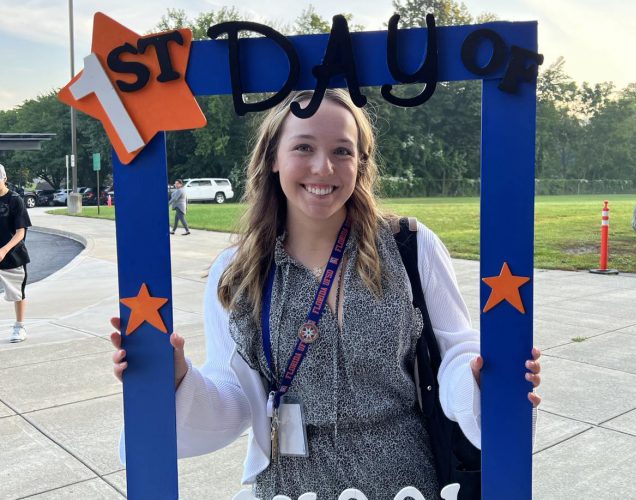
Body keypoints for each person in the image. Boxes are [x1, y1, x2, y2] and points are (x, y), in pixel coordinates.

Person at [111, 89, 542, 499]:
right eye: (303, 148)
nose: (324, 167)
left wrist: (480, 379)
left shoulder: (411, 246)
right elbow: (236, 394)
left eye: (342, 150)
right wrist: (179, 381)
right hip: (291, 484)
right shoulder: (236, 270)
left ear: (361, 163)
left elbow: (455, 349)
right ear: (273, 159)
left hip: (405, 482)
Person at [0, 164, 32, 343]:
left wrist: (4, 250)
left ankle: (19, 327)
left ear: (4, 178)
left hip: (13, 254)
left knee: (18, 292)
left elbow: (21, 231)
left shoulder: (15, 199)